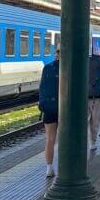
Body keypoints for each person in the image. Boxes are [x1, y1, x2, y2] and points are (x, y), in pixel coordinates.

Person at [38, 44, 60, 178]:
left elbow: (42, 88)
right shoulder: (70, 68)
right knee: (64, 138)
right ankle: (63, 166)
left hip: (49, 107)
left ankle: (49, 168)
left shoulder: (47, 68)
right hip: (65, 108)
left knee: (50, 138)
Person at [88, 50, 100, 155]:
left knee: (84, 122)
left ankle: (83, 142)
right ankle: (93, 142)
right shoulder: (99, 64)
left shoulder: (82, 62)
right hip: (97, 98)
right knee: (95, 121)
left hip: (84, 99)